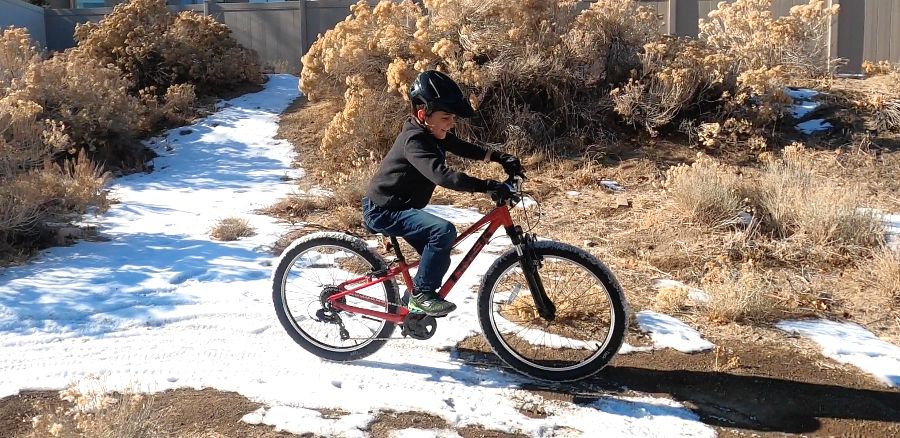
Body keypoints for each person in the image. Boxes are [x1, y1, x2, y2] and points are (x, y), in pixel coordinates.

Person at [362, 70, 522, 317]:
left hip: (399, 206)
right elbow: (442, 175)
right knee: (442, 231)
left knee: (439, 254)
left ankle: (410, 306)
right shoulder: (414, 141)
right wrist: (486, 185)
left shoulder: (431, 132)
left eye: (452, 118)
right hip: (384, 210)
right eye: (446, 117)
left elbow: (460, 146)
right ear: (423, 114)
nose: (451, 123)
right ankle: (421, 296)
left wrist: (499, 157)